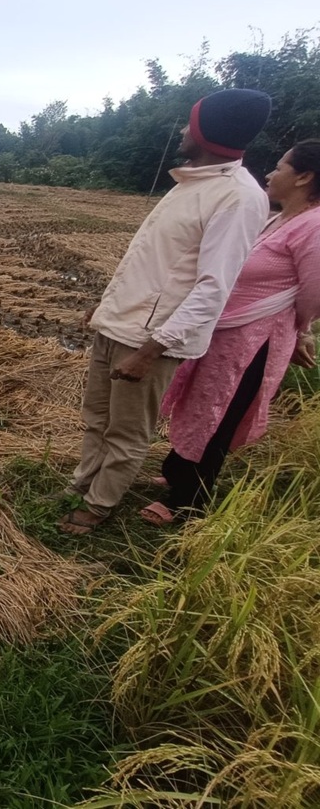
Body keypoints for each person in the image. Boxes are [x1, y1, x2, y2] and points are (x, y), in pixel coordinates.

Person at [55, 88, 273, 535]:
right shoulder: (191, 183)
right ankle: (83, 484)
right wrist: (106, 306)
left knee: (128, 430)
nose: (180, 131)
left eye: (187, 124)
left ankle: (98, 505)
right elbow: (151, 262)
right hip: (119, 323)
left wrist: (154, 349)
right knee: (97, 417)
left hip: (149, 338)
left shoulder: (238, 197)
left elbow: (214, 286)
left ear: (206, 132)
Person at [141, 140, 320, 526]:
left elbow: (314, 290)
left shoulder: (314, 225)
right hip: (229, 331)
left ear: (304, 177)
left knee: (221, 412)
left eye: (280, 166)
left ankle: (188, 503)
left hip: (255, 341)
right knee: (202, 402)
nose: (271, 174)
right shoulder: (282, 219)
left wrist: (300, 328)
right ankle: (177, 471)